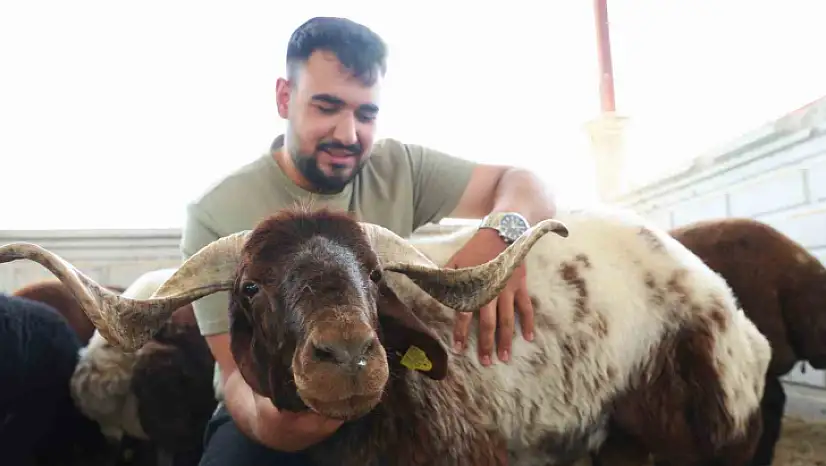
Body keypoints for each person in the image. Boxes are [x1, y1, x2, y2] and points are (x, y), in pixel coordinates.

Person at [181, 16, 558, 466]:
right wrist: (272, 427)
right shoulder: (215, 213)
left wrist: (503, 237)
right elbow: (233, 369)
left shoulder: (397, 167)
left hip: (383, 381)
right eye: (326, 107)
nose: (348, 134)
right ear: (285, 98)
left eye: (366, 113)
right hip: (274, 403)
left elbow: (525, 182)